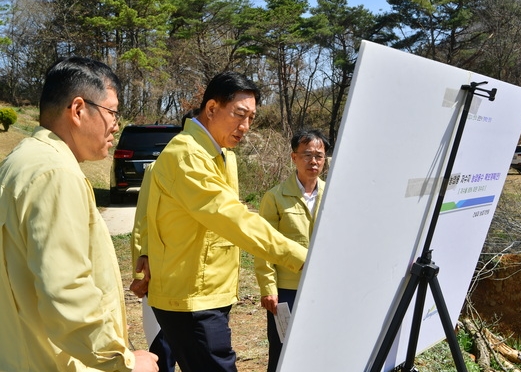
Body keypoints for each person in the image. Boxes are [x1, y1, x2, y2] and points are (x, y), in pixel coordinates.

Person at [140, 71, 308, 372]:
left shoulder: (221, 154)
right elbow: (232, 217)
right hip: (190, 296)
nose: (245, 127)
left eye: (252, 118)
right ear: (212, 108)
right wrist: (302, 258)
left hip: (211, 289)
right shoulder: (186, 155)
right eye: (239, 115)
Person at [0, 56, 158, 371]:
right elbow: (66, 288)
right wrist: (122, 361)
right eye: (112, 112)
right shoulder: (55, 173)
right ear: (78, 110)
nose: (116, 124)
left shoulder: (21, 162)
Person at [129, 109, 200, 372]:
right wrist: (141, 273)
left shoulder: (223, 165)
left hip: (201, 284)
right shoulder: (159, 168)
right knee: (164, 352)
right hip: (164, 277)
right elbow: (142, 223)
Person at [254, 128, 330, 372]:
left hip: (324, 287)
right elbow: (264, 246)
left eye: (319, 155)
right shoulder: (275, 197)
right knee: (282, 349)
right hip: (287, 290)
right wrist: (268, 288)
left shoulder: (334, 195)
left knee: (320, 347)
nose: (314, 161)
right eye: (306, 154)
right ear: (293, 157)